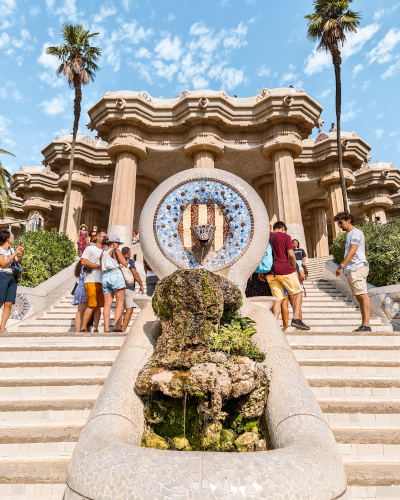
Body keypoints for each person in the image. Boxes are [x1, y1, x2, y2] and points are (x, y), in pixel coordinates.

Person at [259, 221, 309, 331]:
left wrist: (260, 272)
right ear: (282, 228)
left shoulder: (266, 237)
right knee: (298, 292)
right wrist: (294, 268)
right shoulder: (285, 236)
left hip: (269, 272)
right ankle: (296, 318)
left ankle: (274, 323)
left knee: (278, 298)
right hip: (284, 269)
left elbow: (261, 254)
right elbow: (291, 254)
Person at [334, 211, 371, 332]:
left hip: (357, 267)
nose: (339, 225)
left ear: (348, 220)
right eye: (338, 223)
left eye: (340, 222)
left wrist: (341, 266)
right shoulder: (350, 234)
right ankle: (364, 324)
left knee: (362, 295)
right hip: (353, 269)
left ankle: (366, 325)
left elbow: (353, 250)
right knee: (359, 297)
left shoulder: (355, 232)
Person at [79, 228, 107, 333]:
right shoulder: (90, 249)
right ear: (98, 237)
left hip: (102, 281)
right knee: (91, 305)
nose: (105, 239)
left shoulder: (105, 251)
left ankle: (95, 328)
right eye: (104, 236)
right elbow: (83, 261)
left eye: (106, 237)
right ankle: (83, 328)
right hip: (91, 280)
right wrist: (97, 266)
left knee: (99, 307)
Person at [101, 236, 129, 333]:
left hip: (105, 276)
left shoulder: (103, 253)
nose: (118, 245)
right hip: (115, 274)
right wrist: (128, 262)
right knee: (120, 303)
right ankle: (116, 327)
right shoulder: (115, 251)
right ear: (114, 243)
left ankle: (106, 328)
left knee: (107, 305)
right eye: (117, 243)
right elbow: (124, 263)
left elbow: (102, 266)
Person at [0, 230, 24, 334]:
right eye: (11, 237)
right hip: (2, 276)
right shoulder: (0, 250)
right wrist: (14, 254)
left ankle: (2, 328)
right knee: (0, 303)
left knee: (9, 303)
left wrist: (21, 253)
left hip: (12, 278)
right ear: (7, 238)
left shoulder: (11, 249)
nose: (12, 238)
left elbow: (18, 261)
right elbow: (2, 264)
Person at [119, 247, 144, 332]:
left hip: (119, 287)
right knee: (129, 308)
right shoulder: (130, 261)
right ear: (128, 253)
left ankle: (117, 329)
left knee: (119, 309)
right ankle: (122, 330)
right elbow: (135, 274)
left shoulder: (118, 261)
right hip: (129, 287)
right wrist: (141, 284)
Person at [71, 260, 94, 333]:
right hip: (85, 286)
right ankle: (79, 331)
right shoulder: (87, 264)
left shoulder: (81, 264)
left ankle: (77, 331)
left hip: (80, 287)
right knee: (83, 312)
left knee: (80, 312)